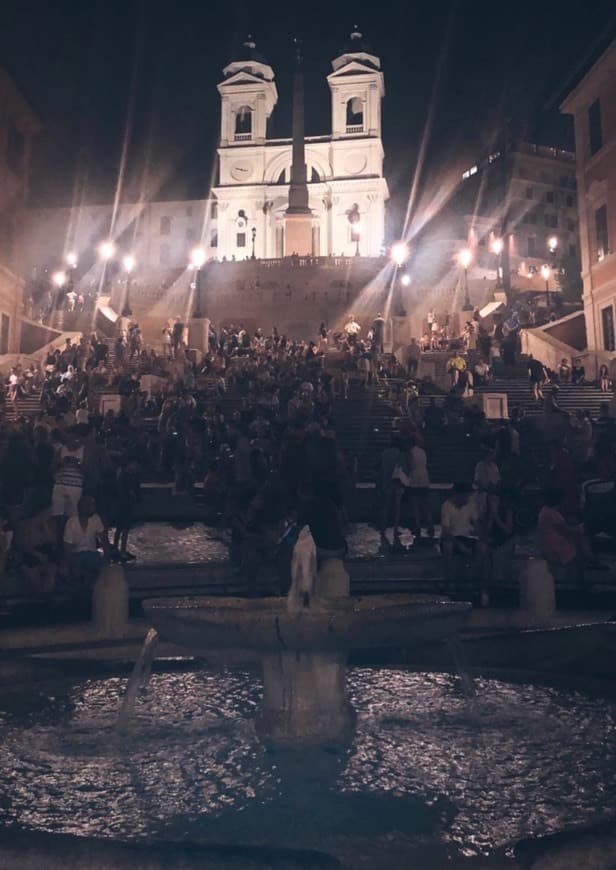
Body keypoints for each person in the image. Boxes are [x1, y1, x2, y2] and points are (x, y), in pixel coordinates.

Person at [440, 482, 488, 594]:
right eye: (466, 495)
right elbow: (446, 531)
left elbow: (477, 525)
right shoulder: (447, 506)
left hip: (466, 537)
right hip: (451, 538)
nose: (468, 497)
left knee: (482, 547)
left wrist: (482, 538)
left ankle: (475, 582)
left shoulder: (471, 505)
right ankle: (450, 584)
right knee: (448, 546)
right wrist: (460, 545)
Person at [63, 495, 109, 585]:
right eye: (92, 505)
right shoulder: (71, 522)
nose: (94, 508)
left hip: (92, 555)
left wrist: (107, 558)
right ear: (84, 508)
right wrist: (71, 565)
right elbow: (67, 548)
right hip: (76, 555)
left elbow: (104, 540)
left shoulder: (96, 519)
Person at [406, 436, 434, 541]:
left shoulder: (409, 453)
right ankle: (430, 524)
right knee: (425, 503)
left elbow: (410, 466)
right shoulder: (422, 451)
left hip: (414, 478)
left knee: (415, 504)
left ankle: (417, 525)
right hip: (424, 477)